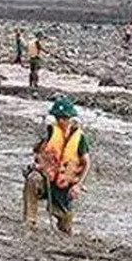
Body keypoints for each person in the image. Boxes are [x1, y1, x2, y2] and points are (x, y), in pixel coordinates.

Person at [24, 97, 90, 234]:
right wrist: (38, 161)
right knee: (32, 179)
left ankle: (64, 224)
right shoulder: (50, 132)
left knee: (65, 223)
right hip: (46, 177)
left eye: (64, 118)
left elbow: (86, 163)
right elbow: (38, 152)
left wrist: (78, 185)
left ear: (71, 118)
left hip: (64, 183)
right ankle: (29, 222)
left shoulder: (80, 138)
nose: (61, 121)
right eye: (58, 118)